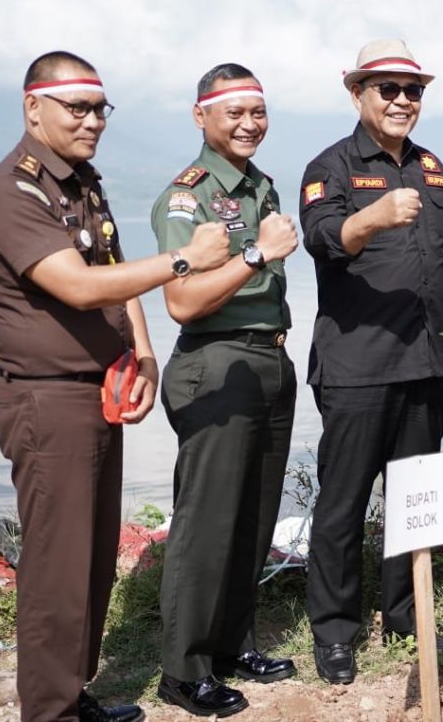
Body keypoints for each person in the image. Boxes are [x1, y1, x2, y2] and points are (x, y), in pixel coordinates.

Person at [0, 51, 230, 722]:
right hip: (46, 398)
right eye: (77, 108)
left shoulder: (81, 183)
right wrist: (183, 258)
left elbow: (113, 267)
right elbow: (78, 284)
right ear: (34, 108)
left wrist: (142, 354)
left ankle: (72, 692)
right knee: (57, 569)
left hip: (97, 392)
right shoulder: (13, 190)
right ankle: (49, 712)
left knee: (89, 560)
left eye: (99, 109)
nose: (93, 121)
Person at [298, 39, 443, 684]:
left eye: (414, 90)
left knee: (415, 500)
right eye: (388, 89)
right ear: (357, 94)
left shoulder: (433, 169)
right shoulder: (332, 167)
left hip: (426, 362)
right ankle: (337, 632)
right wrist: (371, 217)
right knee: (343, 502)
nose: (403, 100)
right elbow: (323, 241)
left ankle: (405, 614)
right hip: (357, 365)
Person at [151, 64, 300, 717]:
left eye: (257, 112)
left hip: (267, 358)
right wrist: (257, 256)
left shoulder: (259, 184)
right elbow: (181, 302)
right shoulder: (187, 197)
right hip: (215, 363)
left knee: (252, 519)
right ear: (201, 116)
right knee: (206, 524)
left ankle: (230, 645)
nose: (248, 124)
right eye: (233, 112)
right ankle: (184, 672)